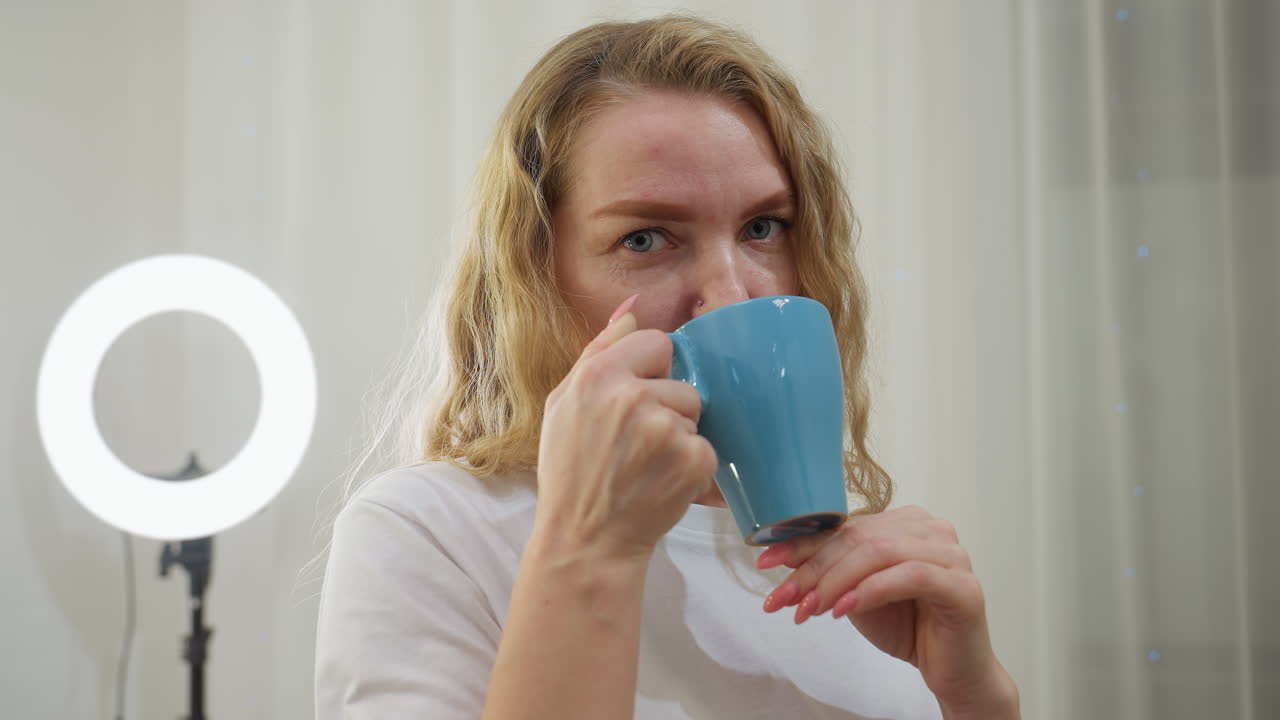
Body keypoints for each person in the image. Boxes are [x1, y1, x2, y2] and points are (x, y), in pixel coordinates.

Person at [315, 14, 1020, 720]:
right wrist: (589, 549)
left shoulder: (863, 574)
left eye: (763, 228)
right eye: (645, 238)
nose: (731, 292)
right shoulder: (430, 533)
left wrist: (975, 697)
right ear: (537, 277)